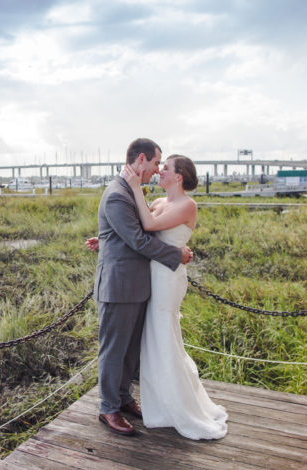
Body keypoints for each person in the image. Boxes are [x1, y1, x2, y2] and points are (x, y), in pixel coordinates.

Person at [86, 138, 193, 436]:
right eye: (156, 163)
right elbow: (137, 240)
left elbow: (133, 230)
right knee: (113, 350)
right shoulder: (118, 194)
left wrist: (104, 238)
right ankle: (108, 408)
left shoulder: (131, 191)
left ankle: (123, 398)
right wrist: (176, 255)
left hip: (137, 286)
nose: (157, 169)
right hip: (118, 287)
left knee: (131, 350)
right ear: (142, 159)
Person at [123, 154, 228, 440]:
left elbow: (147, 226)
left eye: (165, 169)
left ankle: (178, 407)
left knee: (165, 336)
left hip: (168, 278)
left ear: (179, 176)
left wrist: (134, 187)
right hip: (152, 275)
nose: (159, 172)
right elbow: (134, 229)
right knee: (154, 338)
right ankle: (160, 403)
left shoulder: (187, 205)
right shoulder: (158, 203)